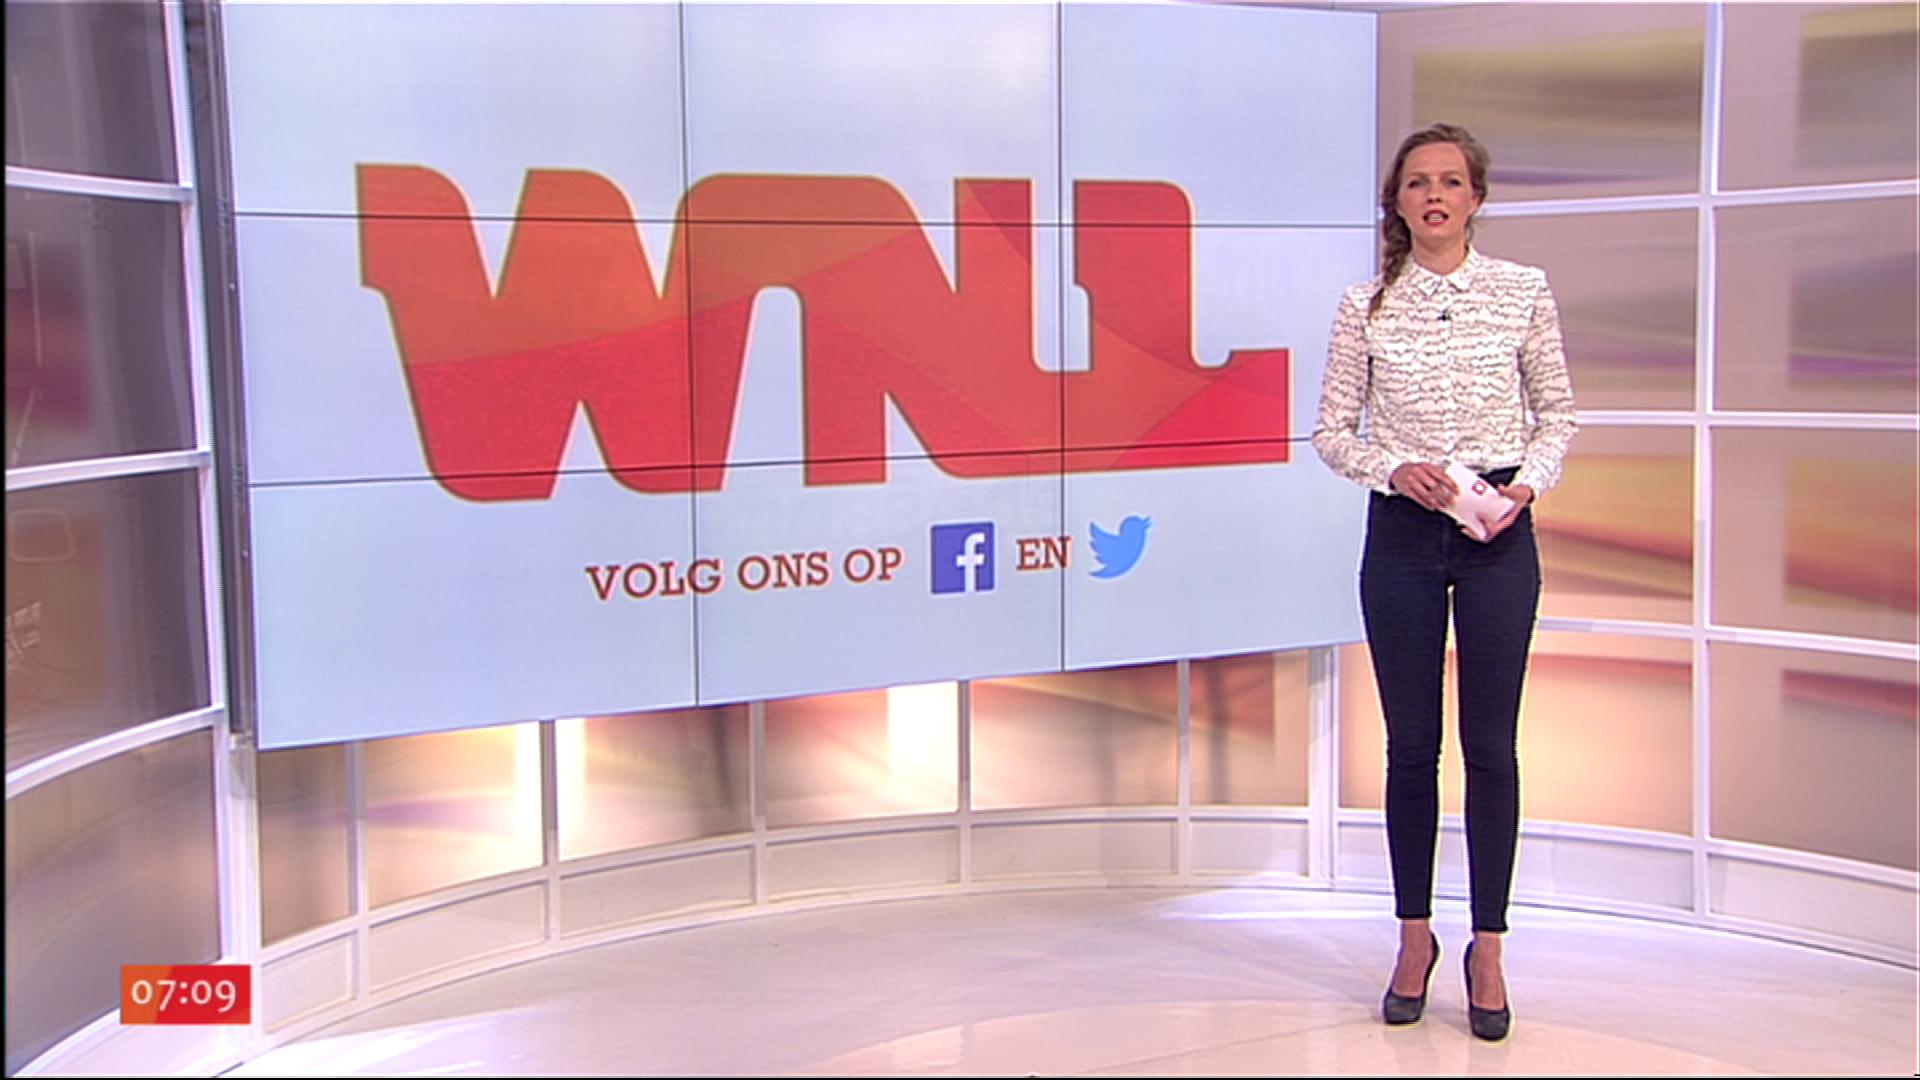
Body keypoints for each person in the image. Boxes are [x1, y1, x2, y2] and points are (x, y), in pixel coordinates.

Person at [1310, 122, 1578, 1041]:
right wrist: (1394, 469)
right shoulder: (1364, 306)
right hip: (1403, 535)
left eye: (1451, 182)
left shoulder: (1522, 290)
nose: (1434, 195)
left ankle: (1488, 949)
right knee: (1412, 747)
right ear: (1397, 201)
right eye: (1418, 182)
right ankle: (1414, 939)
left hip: (1498, 533)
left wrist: (1526, 485)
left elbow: (1558, 413)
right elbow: (1331, 431)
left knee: (1492, 748)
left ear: (1475, 199)